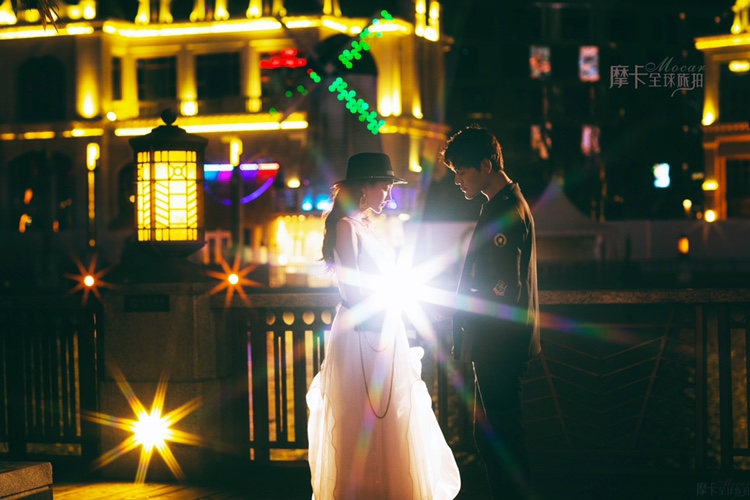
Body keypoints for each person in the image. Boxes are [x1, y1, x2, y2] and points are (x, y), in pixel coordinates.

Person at [306, 152, 461, 500]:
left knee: (391, 409)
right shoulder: (346, 227)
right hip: (364, 332)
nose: (390, 195)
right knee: (365, 411)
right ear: (365, 188)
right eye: (385, 187)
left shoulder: (364, 225)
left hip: (382, 326)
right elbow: (353, 291)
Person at [441, 125, 541, 500]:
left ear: (485, 166)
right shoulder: (506, 202)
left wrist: (467, 304)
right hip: (501, 341)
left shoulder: (505, 210)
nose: (457, 181)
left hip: (498, 342)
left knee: (500, 437)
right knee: (495, 434)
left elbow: (503, 286)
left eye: (461, 172)